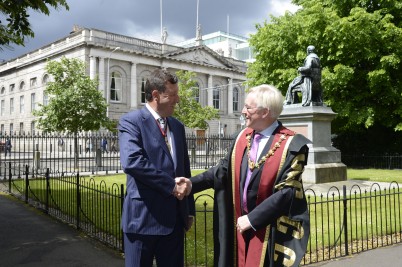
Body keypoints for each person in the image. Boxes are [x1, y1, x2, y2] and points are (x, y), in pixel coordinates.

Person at [191, 84, 311, 267]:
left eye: (248, 107)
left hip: (269, 229)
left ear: (265, 112)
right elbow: (222, 171)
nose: (243, 111)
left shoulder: (292, 145)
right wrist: (191, 185)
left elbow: (287, 192)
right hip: (238, 224)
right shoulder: (241, 137)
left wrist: (253, 219)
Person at [118, 68, 195, 267]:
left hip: (174, 223)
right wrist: (171, 185)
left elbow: (184, 170)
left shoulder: (177, 126)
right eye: (173, 95)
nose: (177, 100)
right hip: (142, 221)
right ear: (155, 95)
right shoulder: (131, 122)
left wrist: (189, 210)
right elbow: (133, 161)